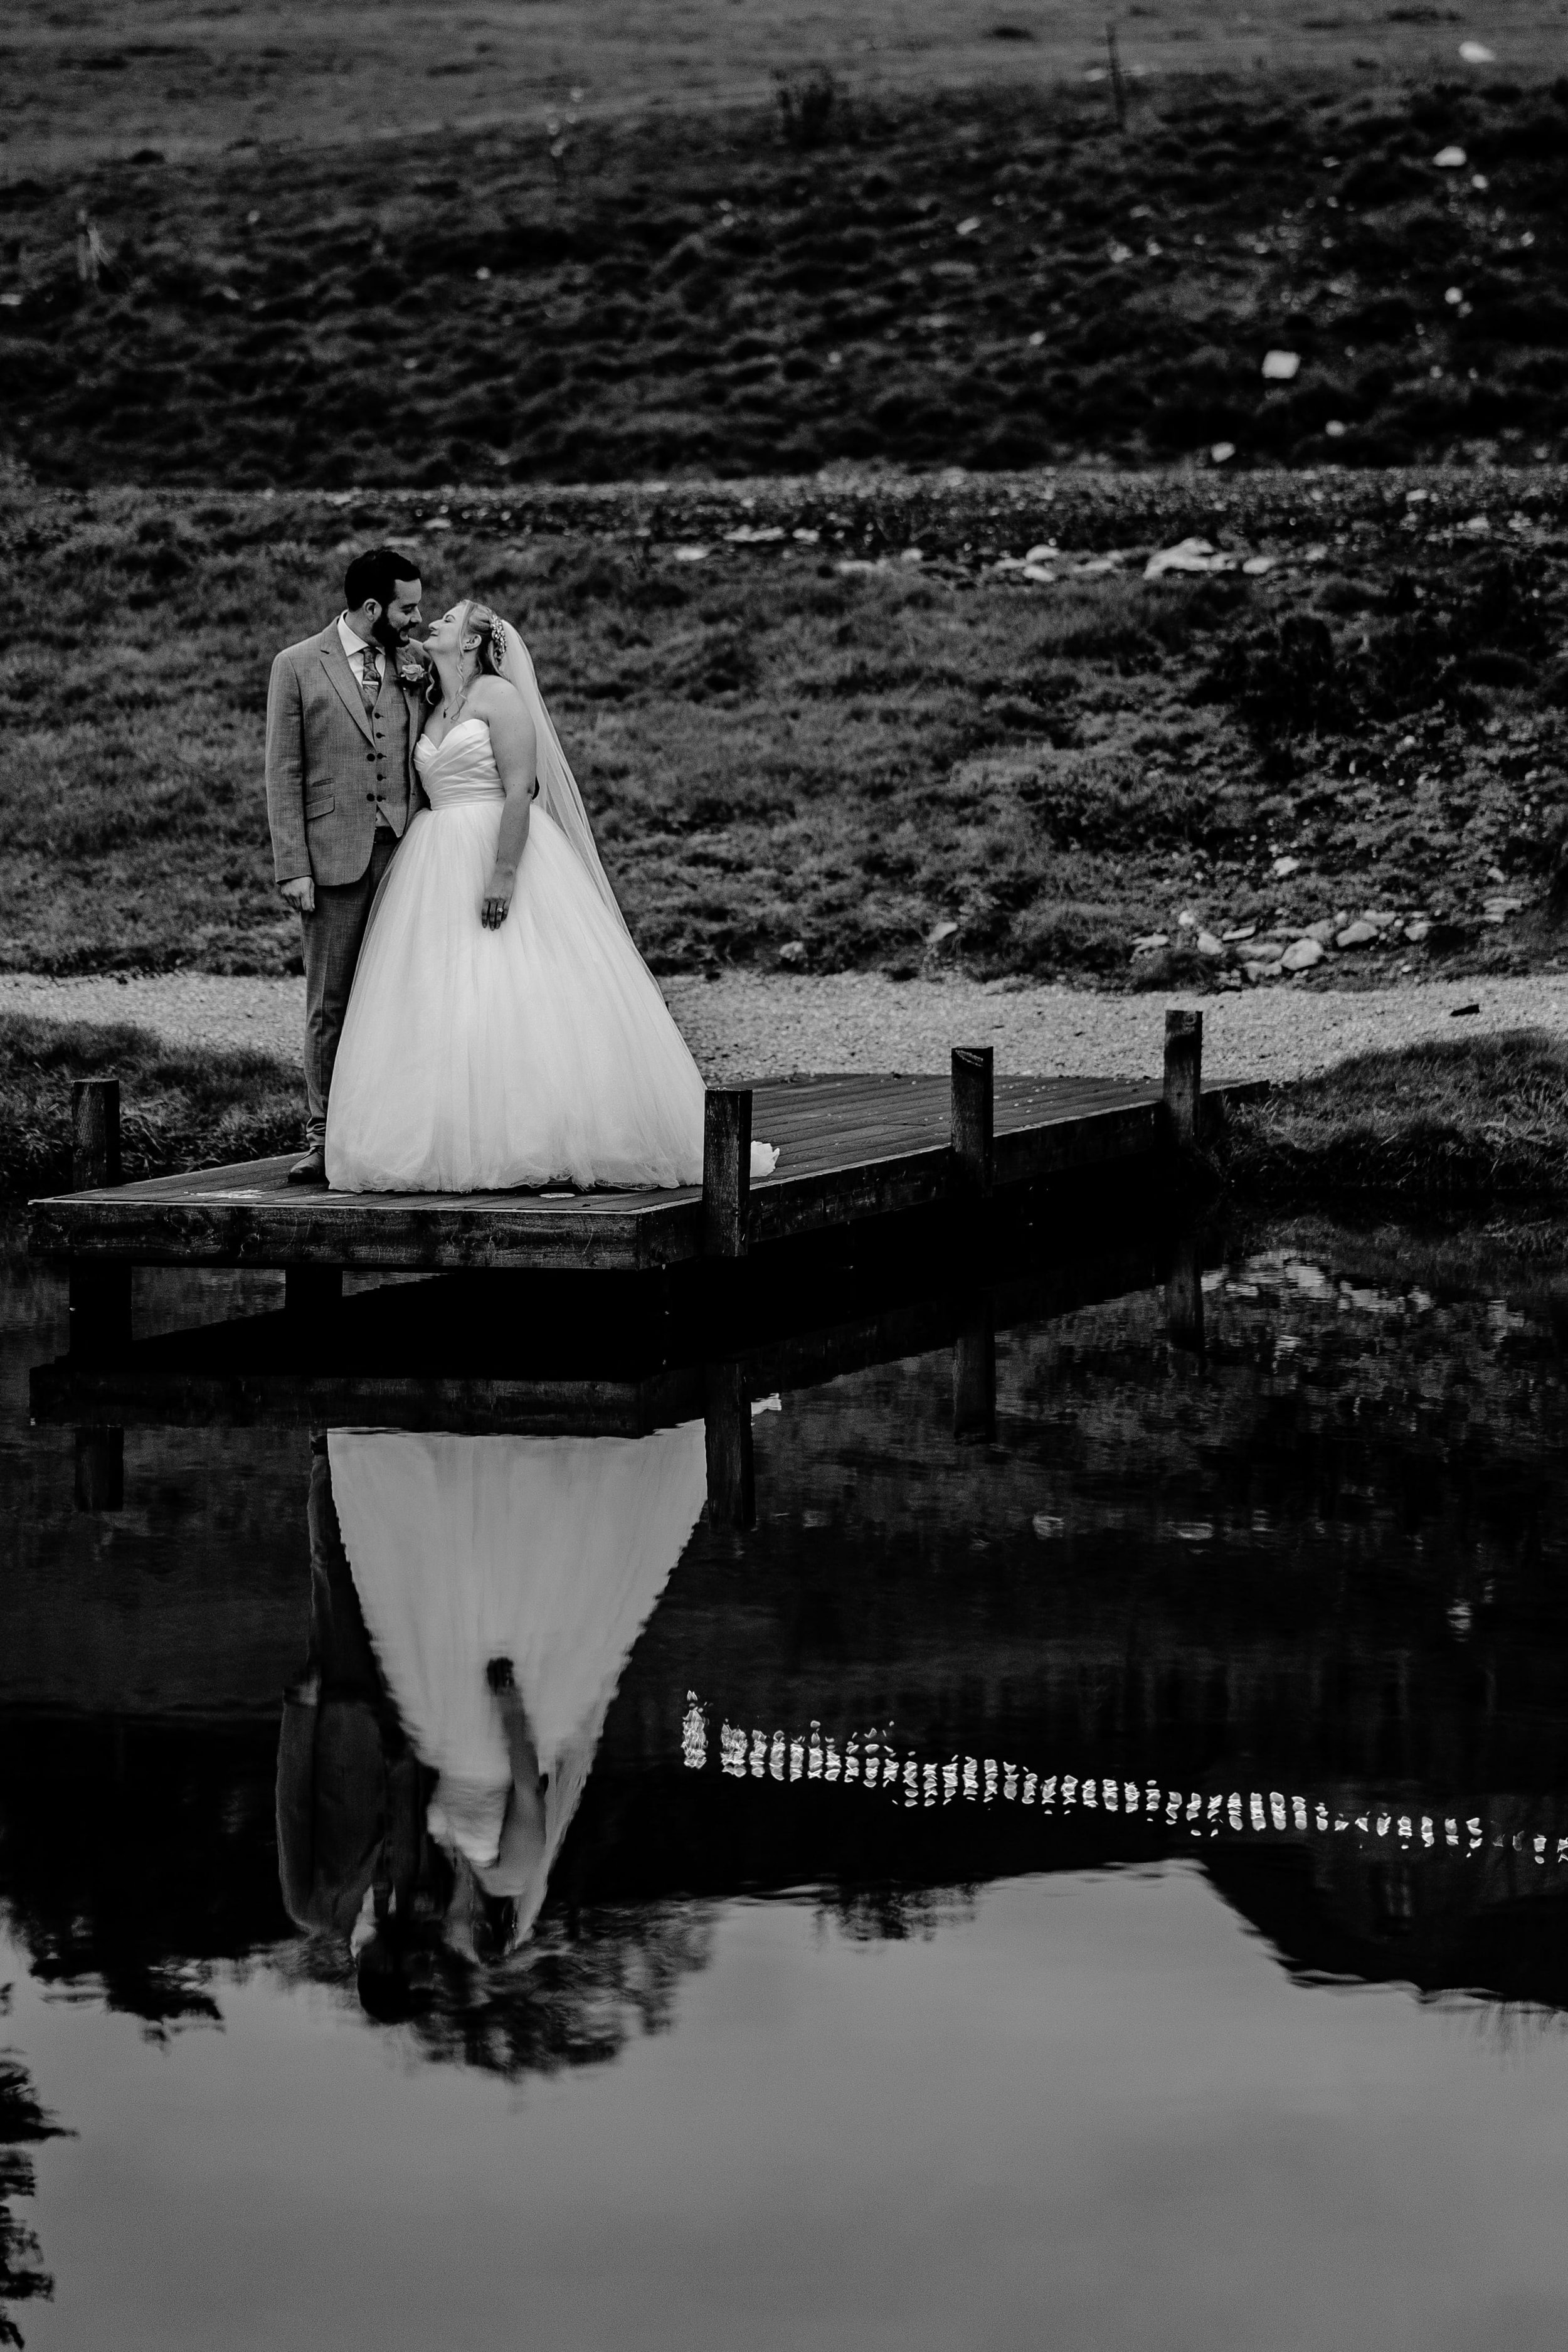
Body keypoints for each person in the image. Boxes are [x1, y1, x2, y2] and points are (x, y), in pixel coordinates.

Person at [324, 600, 776, 1193]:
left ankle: (547, 1135)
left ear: (471, 643)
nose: (435, 621)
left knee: (522, 983)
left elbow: (519, 790)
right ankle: (446, 1139)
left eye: (451, 618)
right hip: (435, 857)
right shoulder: (432, 704)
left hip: (496, 844)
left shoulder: (498, 698)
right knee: (444, 991)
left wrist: (504, 872)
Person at [326, 1421, 709, 1955]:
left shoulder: (461, 1869)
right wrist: (508, 1703)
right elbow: (529, 1788)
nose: (445, 1936)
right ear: (482, 1928)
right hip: (498, 1724)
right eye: (457, 1941)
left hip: (451, 1717)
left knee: (453, 1587)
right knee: (511, 1589)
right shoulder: (512, 1872)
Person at [265, 548, 429, 1185]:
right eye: (407, 607)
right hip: (330, 859)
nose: (417, 618)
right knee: (329, 1004)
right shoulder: (297, 665)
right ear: (371, 609)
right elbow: (282, 772)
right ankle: (323, 1138)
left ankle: (396, 1133)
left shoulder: (412, 663)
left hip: (404, 853)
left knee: (400, 999)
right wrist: (292, 866)